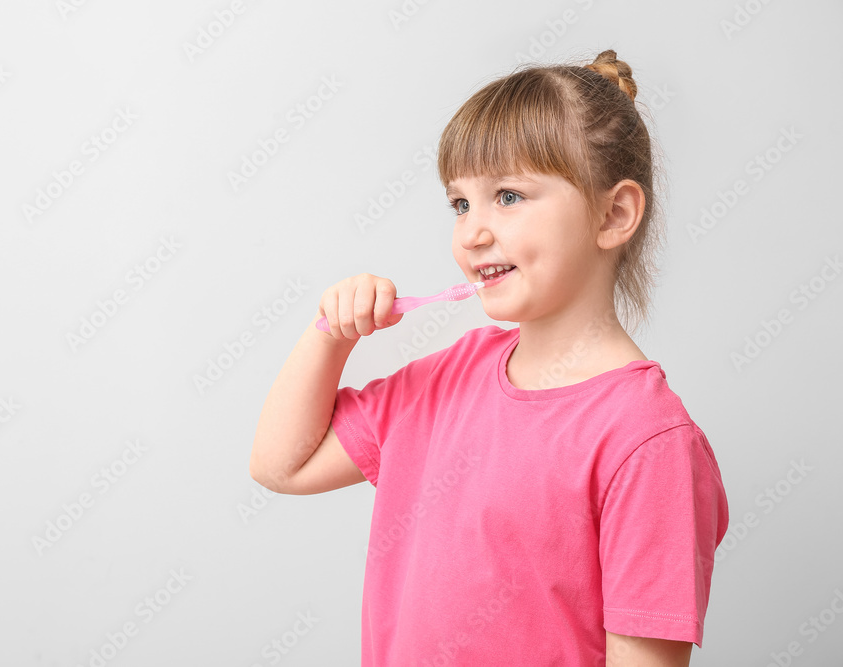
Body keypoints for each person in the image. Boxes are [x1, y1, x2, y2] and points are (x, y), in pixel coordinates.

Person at [250, 49, 729, 666]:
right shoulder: (449, 376)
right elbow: (280, 466)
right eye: (460, 204)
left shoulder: (648, 440)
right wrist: (330, 334)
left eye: (508, 196)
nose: (472, 233)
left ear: (614, 214)